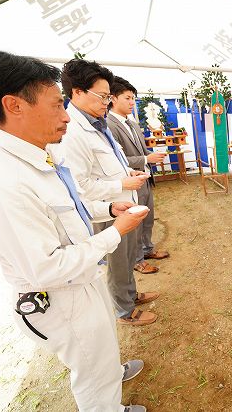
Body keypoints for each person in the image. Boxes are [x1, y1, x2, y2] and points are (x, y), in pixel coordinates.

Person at [0, 51, 149, 412]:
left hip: (84, 278)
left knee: (102, 349)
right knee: (90, 370)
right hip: (62, 296)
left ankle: (113, 372)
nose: (65, 117)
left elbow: (67, 212)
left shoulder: (39, 156)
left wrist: (108, 209)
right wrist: (114, 232)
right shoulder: (0, 184)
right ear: (14, 106)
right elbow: (46, 268)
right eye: (57, 106)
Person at [53, 59, 157, 326]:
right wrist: (121, 185)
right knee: (118, 262)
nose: (106, 103)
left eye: (108, 97)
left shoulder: (97, 124)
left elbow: (113, 163)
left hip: (124, 205)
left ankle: (130, 295)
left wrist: (127, 173)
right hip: (108, 210)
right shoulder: (74, 133)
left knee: (127, 258)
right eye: (102, 96)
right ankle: (125, 311)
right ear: (77, 92)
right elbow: (81, 188)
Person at [107, 76, 170, 274]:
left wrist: (150, 157)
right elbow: (118, 159)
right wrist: (145, 160)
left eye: (133, 98)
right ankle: (137, 260)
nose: (132, 102)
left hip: (144, 178)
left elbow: (142, 150)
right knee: (134, 222)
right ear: (113, 98)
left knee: (148, 217)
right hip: (129, 181)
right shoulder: (109, 125)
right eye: (127, 98)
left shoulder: (132, 123)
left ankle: (147, 249)